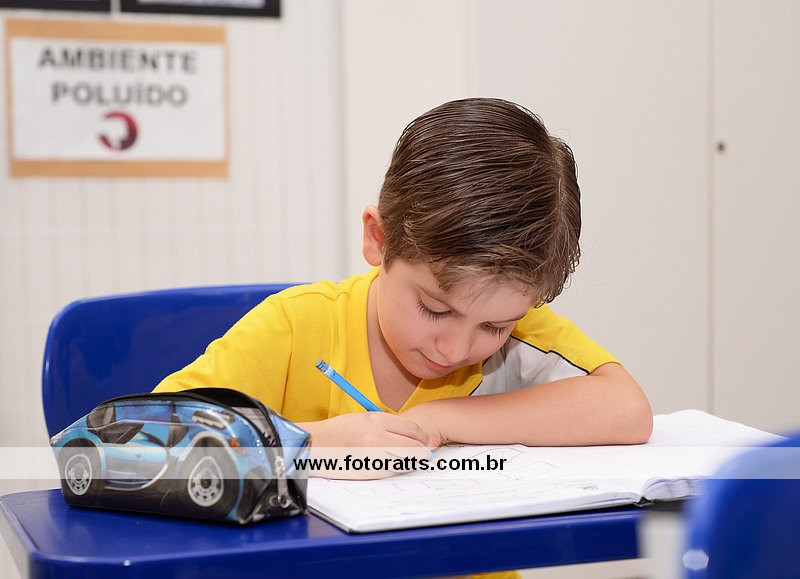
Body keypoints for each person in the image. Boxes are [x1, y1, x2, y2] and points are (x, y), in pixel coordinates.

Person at [153, 97, 653, 470]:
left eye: (494, 327)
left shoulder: (521, 328)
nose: (456, 348)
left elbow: (626, 410)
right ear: (379, 238)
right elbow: (137, 444)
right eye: (435, 309)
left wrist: (437, 421)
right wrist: (310, 445)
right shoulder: (294, 327)